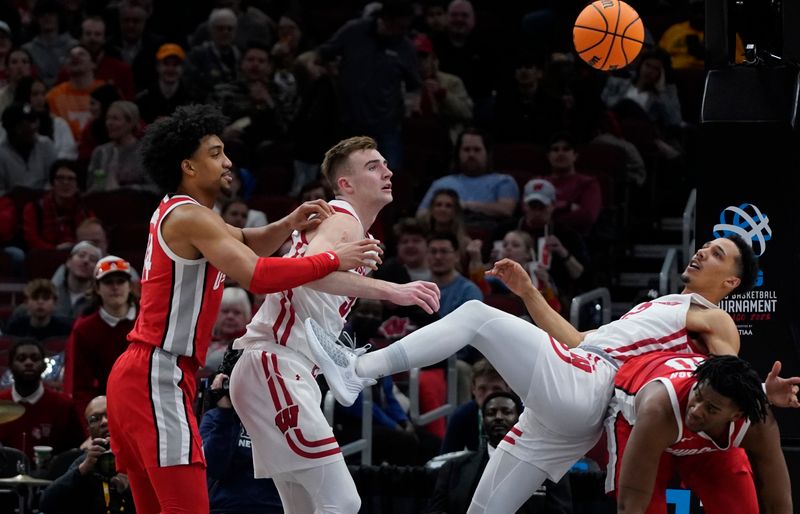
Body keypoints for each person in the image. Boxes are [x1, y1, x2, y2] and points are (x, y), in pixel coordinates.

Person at [306, 234, 798, 513]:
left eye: (716, 254)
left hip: (590, 384)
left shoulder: (715, 315)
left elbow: (723, 371)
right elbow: (578, 339)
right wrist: (527, 293)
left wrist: (757, 389)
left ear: (731, 282)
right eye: (706, 244)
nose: (702, 251)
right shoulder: (668, 305)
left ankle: (358, 369)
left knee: (476, 317)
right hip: (578, 401)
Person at [105, 105, 381, 514]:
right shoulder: (189, 217)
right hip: (156, 372)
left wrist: (288, 223)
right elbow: (257, 276)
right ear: (189, 166)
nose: (227, 161)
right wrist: (331, 259)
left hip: (144, 373)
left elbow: (249, 242)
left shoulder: (188, 213)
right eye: (215, 153)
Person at [228, 135, 440, 514]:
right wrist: (395, 291)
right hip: (274, 365)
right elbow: (308, 273)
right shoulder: (344, 218)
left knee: (306, 508)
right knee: (342, 501)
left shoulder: (354, 228)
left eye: (385, 164)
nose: (387, 171)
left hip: (281, 369)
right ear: (346, 184)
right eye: (373, 166)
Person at [606, 353, 793, 514]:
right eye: (698, 395)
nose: (696, 410)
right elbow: (631, 504)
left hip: (706, 438)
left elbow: (778, 501)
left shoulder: (757, 424)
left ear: (736, 415)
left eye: (711, 408)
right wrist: (709, 410)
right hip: (643, 428)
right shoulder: (658, 410)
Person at [425, 391, 573, 514]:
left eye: (506, 412)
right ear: (482, 421)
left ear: (520, 420)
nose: (498, 417)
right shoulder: (453, 469)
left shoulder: (548, 468)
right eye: (491, 413)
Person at [200, 349, 283, 514]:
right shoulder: (215, 417)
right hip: (226, 508)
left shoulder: (285, 418)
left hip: (274, 508)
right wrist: (225, 414)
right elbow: (215, 468)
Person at [63, 255, 139, 418]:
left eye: (120, 281)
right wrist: (90, 427)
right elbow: (81, 387)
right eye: (108, 282)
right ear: (97, 288)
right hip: (103, 410)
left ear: (130, 286)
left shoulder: (147, 322)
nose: (115, 287)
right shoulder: (85, 329)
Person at [40, 396, 135, 514]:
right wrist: (82, 469)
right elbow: (46, 504)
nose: (104, 422)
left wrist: (130, 490)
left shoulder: (137, 458)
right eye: (95, 419)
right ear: (89, 431)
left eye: (109, 414)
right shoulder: (85, 462)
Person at [416, 128, 518, 234]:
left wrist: (467, 206)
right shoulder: (441, 183)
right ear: (458, 154)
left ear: (487, 154)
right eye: (466, 150)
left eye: (477, 150)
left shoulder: (504, 181)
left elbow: (506, 210)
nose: (471, 155)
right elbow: (421, 214)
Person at [0, 338, 85, 461]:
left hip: (51, 478)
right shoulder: (2, 401)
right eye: (21, 358)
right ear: (11, 365)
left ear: (44, 366)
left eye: (35, 358)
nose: (28, 363)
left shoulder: (64, 405)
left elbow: (75, 452)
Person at [440, 358, 510, 454]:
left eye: (496, 389)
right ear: (473, 389)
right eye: (482, 389)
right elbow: (447, 461)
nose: (489, 395)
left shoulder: (521, 415)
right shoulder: (461, 416)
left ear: (508, 388)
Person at [23, 159, 92, 250]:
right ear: (52, 183)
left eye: (70, 179)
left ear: (78, 185)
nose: (65, 183)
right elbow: (32, 240)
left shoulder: (85, 209)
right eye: (60, 178)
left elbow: (91, 239)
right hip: (45, 256)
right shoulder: (34, 208)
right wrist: (55, 249)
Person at [4, 278, 72, 340]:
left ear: (54, 302)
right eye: (35, 297)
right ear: (26, 302)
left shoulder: (65, 330)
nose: (40, 302)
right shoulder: (14, 327)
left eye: (46, 298)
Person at [51, 240, 103, 321]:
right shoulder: (51, 293)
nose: (86, 261)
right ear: (68, 261)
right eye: (81, 255)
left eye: (92, 259)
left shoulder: (99, 300)